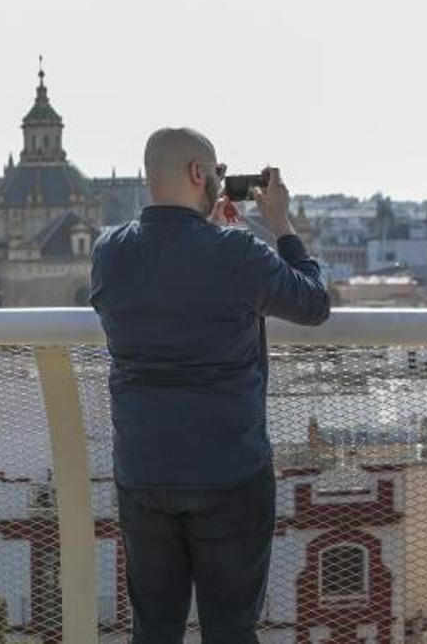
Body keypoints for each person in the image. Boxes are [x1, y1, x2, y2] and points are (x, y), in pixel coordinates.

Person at [89, 128, 330, 643]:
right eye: (217, 174)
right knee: (230, 630)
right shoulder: (237, 253)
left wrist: (215, 236)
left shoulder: (109, 251)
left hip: (144, 471)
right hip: (229, 472)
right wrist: (280, 223)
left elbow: (166, 276)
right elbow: (313, 303)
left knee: (153, 628)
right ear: (200, 173)